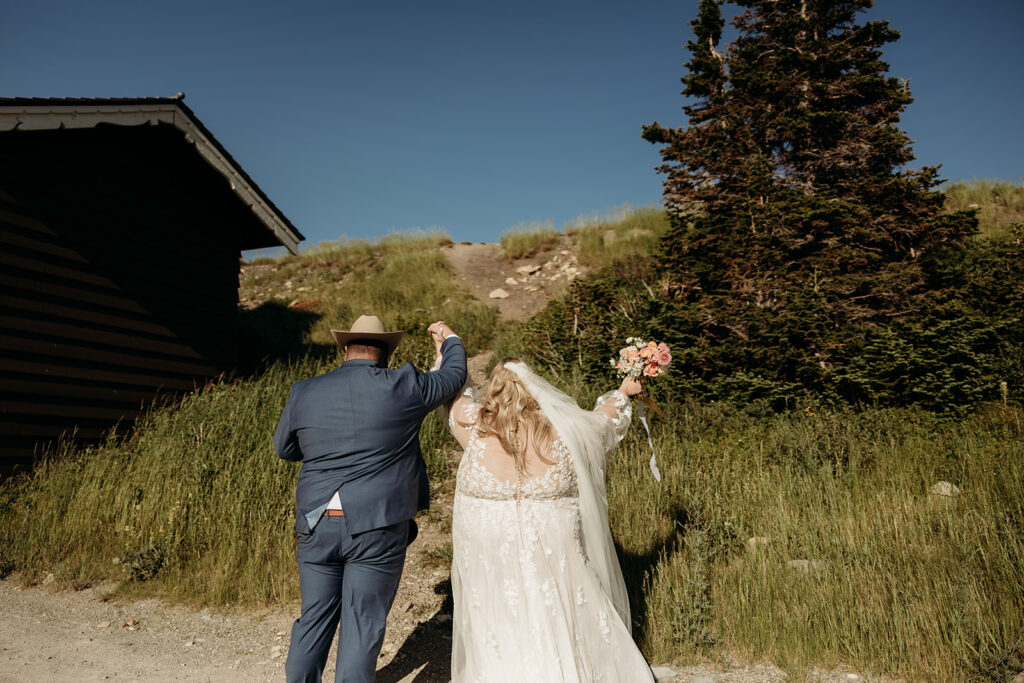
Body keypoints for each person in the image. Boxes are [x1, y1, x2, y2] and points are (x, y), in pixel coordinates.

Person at [274, 315, 466, 683]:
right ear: (387, 354)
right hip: (377, 522)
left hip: (316, 519)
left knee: (313, 616)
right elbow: (455, 375)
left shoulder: (304, 390)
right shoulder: (405, 385)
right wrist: (450, 339)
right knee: (363, 624)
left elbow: (284, 448)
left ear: (344, 349)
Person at [442, 357, 656, 682]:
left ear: (494, 389)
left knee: (501, 617)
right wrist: (624, 390)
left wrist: (449, 350)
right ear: (536, 389)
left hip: (492, 560)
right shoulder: (567, 430)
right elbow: (605, 419)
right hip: (556, 550)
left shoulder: (473, 427)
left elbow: (456, 400)